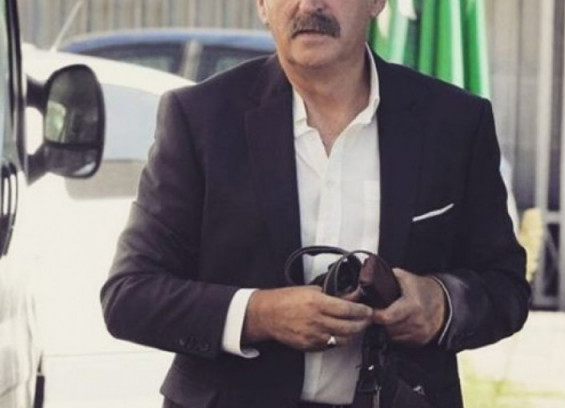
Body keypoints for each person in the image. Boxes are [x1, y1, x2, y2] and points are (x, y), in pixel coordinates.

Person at [101, 1, 531, 407]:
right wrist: (261, 314)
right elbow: (130, 295)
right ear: (262, 5)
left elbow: (506, 285)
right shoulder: (199, 118)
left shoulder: (455, 122)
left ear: (377, 2)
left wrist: (441, 303)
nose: (310, 5)